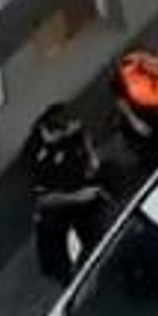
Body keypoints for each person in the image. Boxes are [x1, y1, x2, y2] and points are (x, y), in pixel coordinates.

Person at [26, 104, 108, 286]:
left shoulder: (69, 127)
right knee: (62, 256)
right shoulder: (35, 157)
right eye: (66, 131)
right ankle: (71, 282)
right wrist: (77, 197)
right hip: (59, 212)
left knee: (93, 236)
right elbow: (42, 200)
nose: (73, 131)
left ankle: (97, 261)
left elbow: (84, 133)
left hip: (84, 195)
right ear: (50, 131)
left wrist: (92, 155)